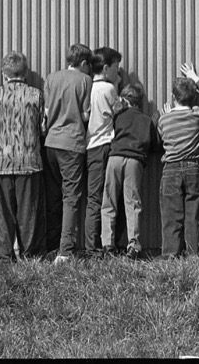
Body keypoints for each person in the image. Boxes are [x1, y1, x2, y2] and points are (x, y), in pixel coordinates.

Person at [0, 51, 47, 261]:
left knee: (2, 215)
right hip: (30, 162)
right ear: (25, 73)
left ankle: (3, 258)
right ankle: (30, 256)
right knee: (29, 214)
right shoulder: (36, 95)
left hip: (0, 163)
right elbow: (43, 129)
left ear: (4, 75)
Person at [42, 43, 93, 263]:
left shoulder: (51, 78)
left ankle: (52, 245)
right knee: (71, 197)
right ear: (83, 63)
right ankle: (65, 251)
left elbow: (45, 113)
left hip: (50, 142)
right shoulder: (84, 80)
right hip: (72, 143)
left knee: (53, 195)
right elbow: (84, 114)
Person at [158, 66, 199, 257]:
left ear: (173, 97)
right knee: (193, 214)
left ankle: (170, 254)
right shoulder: (197, 114)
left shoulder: (164, 119)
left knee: (171, 215)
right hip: (192, 168)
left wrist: (167, 114)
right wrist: (195, 78)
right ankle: (193, 253)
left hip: (170, 169)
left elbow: (162, 138)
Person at [101, 84, 161, 259]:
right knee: (132, 204)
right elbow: (156, 147)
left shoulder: (118, 116)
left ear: (125, 100)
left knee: (109, 203)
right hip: (135, 161)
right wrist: (154, 123)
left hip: (115, 158)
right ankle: (133, 246)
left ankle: (108, 246)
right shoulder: (146, 120)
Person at [85, 50, 120, 256]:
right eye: (116, 67)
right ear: (106, 68)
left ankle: (93, 244)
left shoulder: (86, 85)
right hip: (104, 145)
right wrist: (116, 84)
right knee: (100, 197)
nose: (118, 71)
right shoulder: (107, 88)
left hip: (89, 146)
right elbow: (118, 111)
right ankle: (94, 247)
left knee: (93, 196)